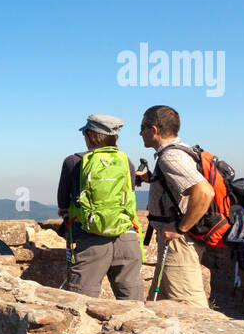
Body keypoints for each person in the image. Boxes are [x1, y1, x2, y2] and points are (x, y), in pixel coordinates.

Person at [56, 113, 144, 299]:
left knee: (81, 302)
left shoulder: (73, 162)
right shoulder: (126, 162)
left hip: (89, 239)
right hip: (127, 238)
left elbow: (63, 203)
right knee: (133, 303)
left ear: (90, 135)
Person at [134, 104, 214, 307]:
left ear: (154, 129)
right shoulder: (178, 152)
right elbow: (179, 191)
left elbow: (204, 192)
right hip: (173, 239)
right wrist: (153, 179)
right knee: (160, 302)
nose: (140, 132)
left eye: (142, 127)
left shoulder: (171, 156)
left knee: (189, 304)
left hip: (178, 241)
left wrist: (180, 228)